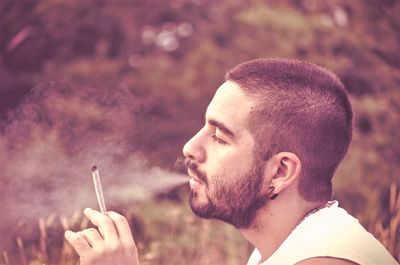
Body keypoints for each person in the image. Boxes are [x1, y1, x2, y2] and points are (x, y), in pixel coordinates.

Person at [65, 58, 399, 265]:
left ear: (280, 172)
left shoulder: (324, 260)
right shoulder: (284, 245)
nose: (190, 148)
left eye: (220, 137)